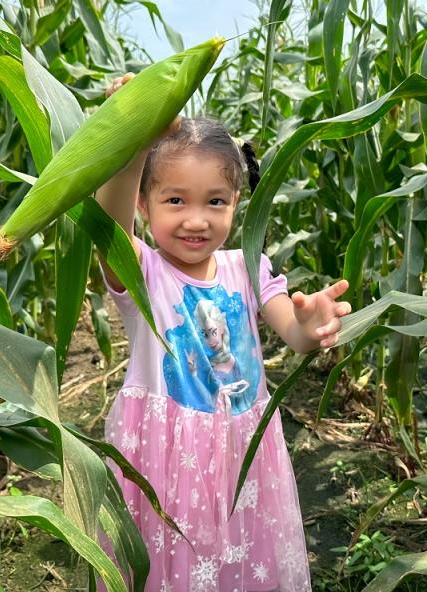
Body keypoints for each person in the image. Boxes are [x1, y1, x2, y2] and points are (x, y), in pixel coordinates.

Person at [96, 73, 351, 592]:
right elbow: (107, 219)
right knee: (176, 566)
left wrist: (308, 324)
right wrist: (130, 140)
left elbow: (292, 333)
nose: (197, 220)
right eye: (175, 201)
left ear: (237, 202)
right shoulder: (141, 269)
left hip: (242, 450)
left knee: (240, 559)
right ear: (144, 205)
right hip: (163, 459)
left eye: (215, 202)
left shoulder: (247, 266)